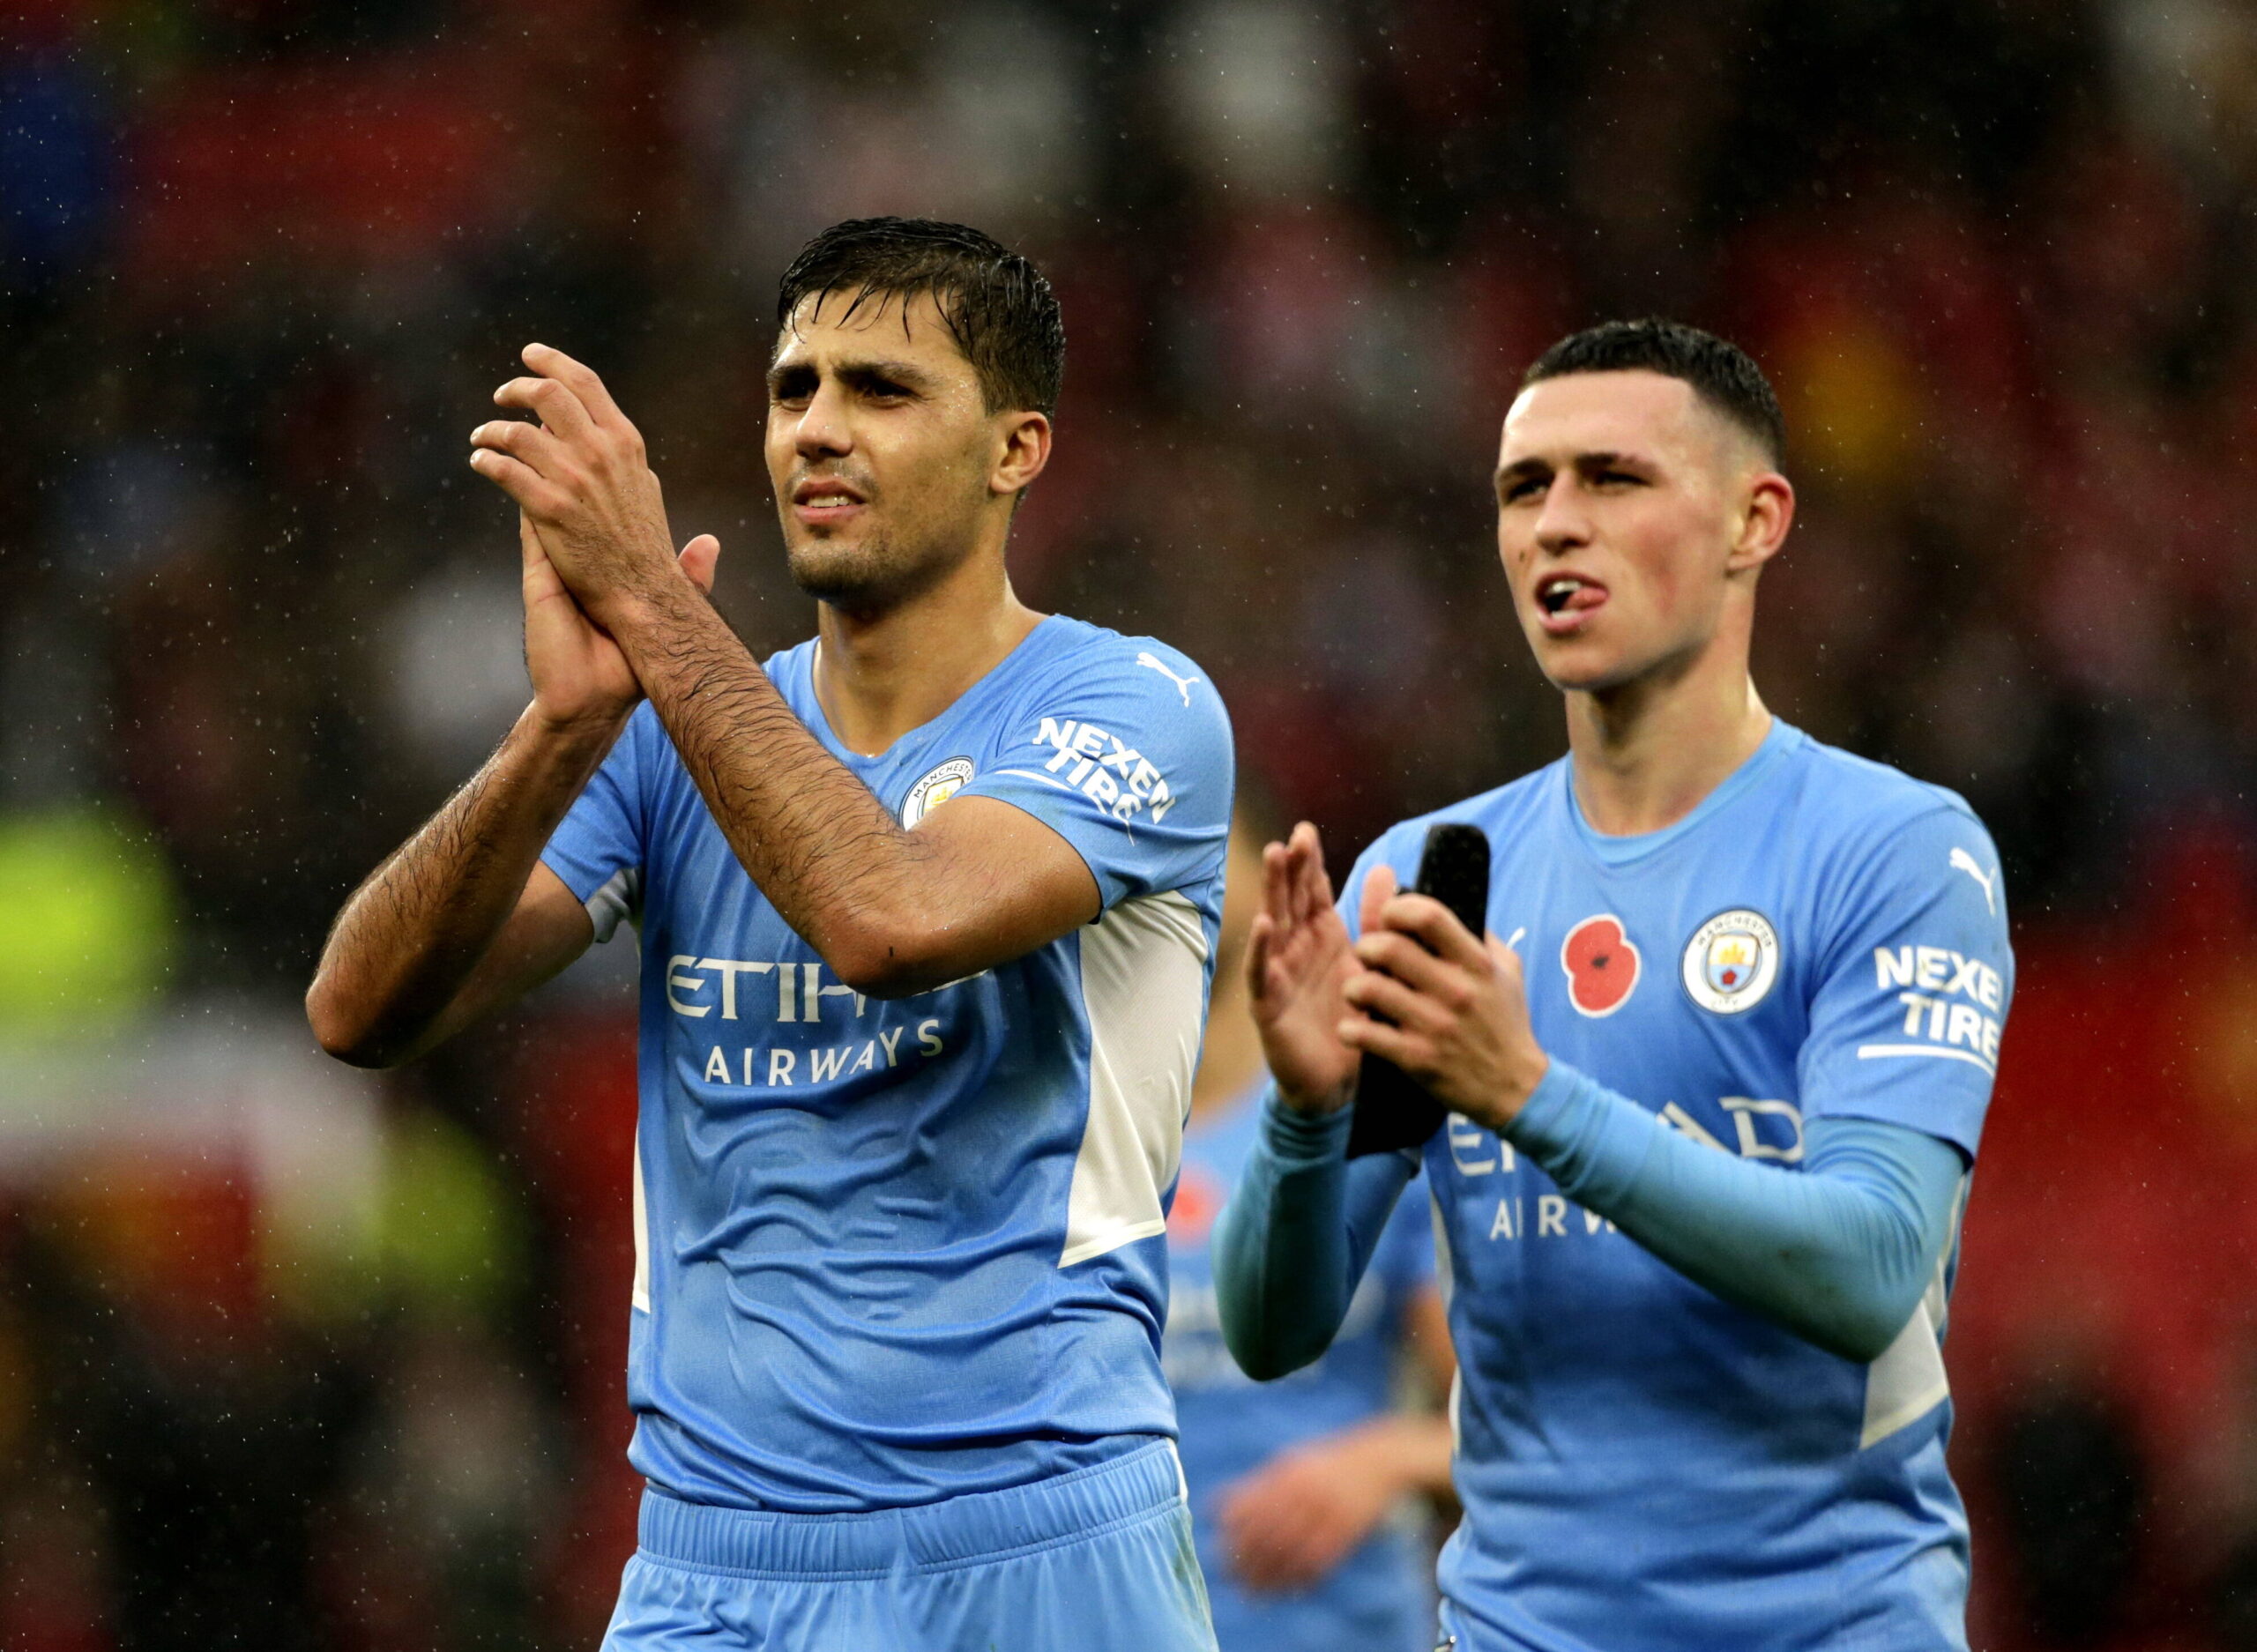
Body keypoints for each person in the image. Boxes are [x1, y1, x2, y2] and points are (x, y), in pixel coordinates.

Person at [307, 219, 1232, 1651]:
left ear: (1018, 450)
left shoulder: (1138, 709)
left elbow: (891, 918)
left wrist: (659, 610)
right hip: (714, 1566)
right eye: (795, 387)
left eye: (883, 389)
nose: (819, 427)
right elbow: (358, 1008)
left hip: (1037, 1538)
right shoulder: (663, 729)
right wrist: (561, 731)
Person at [1214, 319, 2014, 1652]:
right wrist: (1305, 1117)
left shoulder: (1894, 847)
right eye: (1526, 490)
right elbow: (1275, 1329)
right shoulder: (1425, 875)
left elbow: (1874, 1264)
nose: (1555, 526)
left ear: (1756, 520)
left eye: (1614, 480)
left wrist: (1524, 1092)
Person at [1166, 807, 1454, 1652]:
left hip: (1340, 1626)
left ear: (1275, 878)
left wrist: (1380, 1462)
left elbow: (1506, 1426)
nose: (1175, 876)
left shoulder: (1363, 1113)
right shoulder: (1056, 1130)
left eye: (1203, 839)